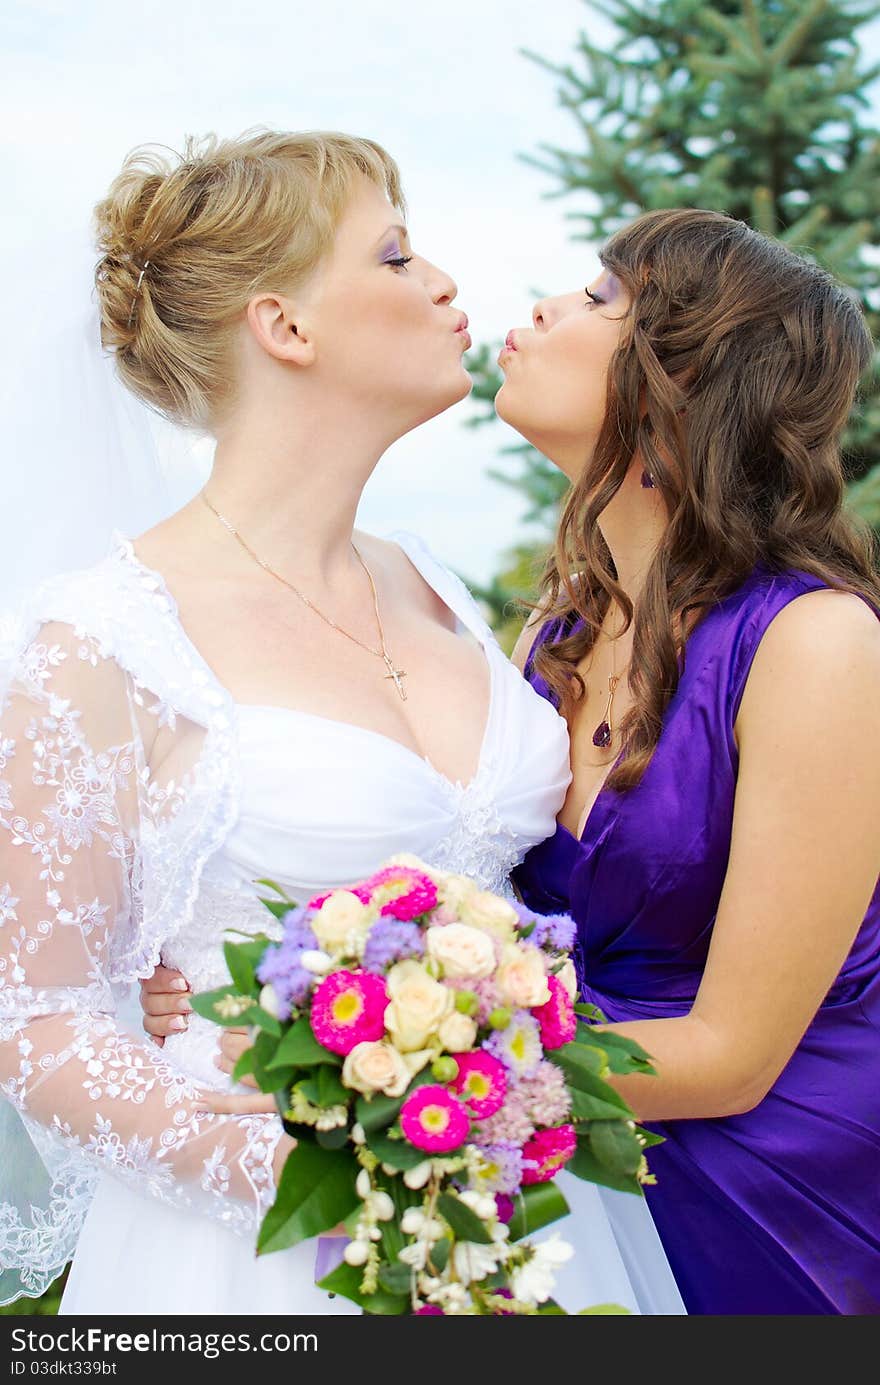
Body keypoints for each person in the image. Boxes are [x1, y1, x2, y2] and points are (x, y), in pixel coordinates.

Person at [0, 130, 684, 1316]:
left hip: (534, 1214)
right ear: (287, 327)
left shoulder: (434, 583)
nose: (444, 285)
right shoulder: (105, 638)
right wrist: (338, 1171)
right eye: (396, 253)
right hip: (263, 1247)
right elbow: (41, 1021)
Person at [489, 207, 879, 1314]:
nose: (546, 309)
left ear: (687, 382)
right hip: (577, 1153)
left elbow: (733, 1050)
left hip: (776, 1195)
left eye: (602, 298)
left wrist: (433, 1072)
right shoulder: (553, 636)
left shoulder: (814, 641)